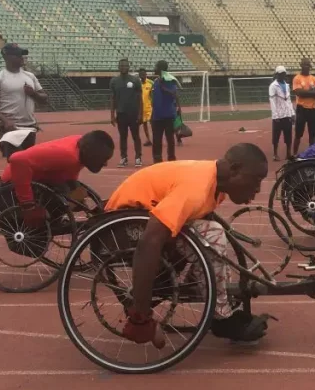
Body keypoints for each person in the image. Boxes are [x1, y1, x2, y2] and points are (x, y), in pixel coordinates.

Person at [105, 145, 271, 347]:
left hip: (141, 215)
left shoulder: (214, 184)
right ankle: (221, 318)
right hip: (124, 227)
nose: (258, 189)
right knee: (213, 234)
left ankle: (205, 288)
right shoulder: (196, 189)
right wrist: (140, 314)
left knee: (209, 231)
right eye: (256, 180)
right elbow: (149, 242)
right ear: (234, 169)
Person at [0, 131, 115, 228]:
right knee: (69, 194)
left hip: (41, 180)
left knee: (78, 193)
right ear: (89, 152)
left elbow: (69, 179)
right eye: (103, 158)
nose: (105, 163)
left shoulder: (82, 147)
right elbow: (17, 159)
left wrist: (78, 201)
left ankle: (54, 217)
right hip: (11, 188)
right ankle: (48, 219)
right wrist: (28, 206)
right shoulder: (67, 155)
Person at [0, 43, 48, 158]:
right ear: (7, 57)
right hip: (10, 128)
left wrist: (33, 93)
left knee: (28, 161)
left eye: (22, 55)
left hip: (29, 126)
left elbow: (45, 99)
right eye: (18, 55)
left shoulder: (30, 76)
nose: (22, 58)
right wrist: (5, 121)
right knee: (16, 160)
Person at [109, 59, 144, 168]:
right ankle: (124, 157)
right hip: (121, 114)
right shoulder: (114, 81)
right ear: (118, 67)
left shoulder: (135, 80)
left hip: (133, 113)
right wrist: (112, 115)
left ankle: (138, 157)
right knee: (123, 137)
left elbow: (140, 99)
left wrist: (140, 114)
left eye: (125, 65)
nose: (123, 67)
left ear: (129, 67)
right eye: (121, 65)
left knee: (136, 136)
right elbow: (113, 98)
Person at [150, 60, 180, 164]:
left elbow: (175, 94)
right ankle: (157, 159)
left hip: (168, 116)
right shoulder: (155, 81)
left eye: (156, 66)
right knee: (156, 140)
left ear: (161, 69)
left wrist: (163, 88)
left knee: (170, 139)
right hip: (157, 116)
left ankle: (171, 159)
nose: (154, 68)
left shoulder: (170, 80)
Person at [291, 57, 315, 156]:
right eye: (305, 65)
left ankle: (311, 153)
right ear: (301, 66)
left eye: (308, 65)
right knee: (298, 134)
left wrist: (306, 92)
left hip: (312, 109)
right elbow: (299, 93)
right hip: (301, 109)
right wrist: (312, 92)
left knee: (312, 134)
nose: (306, 67)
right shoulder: (297, 78)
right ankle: (295, 154)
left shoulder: (314, 78)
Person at [268, 66, 295, 161]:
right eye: (280, 74)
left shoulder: (287, 85)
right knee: (276, 136)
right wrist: (275, 116)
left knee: (288, 135)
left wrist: (292, 113)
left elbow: (289, 100)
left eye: (283, 74)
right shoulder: (273, 86)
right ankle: (275, 154)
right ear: (276, 74)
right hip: (278, 116)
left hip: (287, 114)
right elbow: (272, 101)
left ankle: (288, 153)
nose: (282, 76)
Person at [138, 68, 154, 148]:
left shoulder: (150, 83)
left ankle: (155, 138)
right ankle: (148, 140)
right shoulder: (137, 84)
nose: (142, 76)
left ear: (146, 74)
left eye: (144, 74)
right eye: (141, 74)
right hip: (141, 109)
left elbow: (153, 95)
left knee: (153, 124)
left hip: (150, 108)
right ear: (139, 75)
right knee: (144, 124)